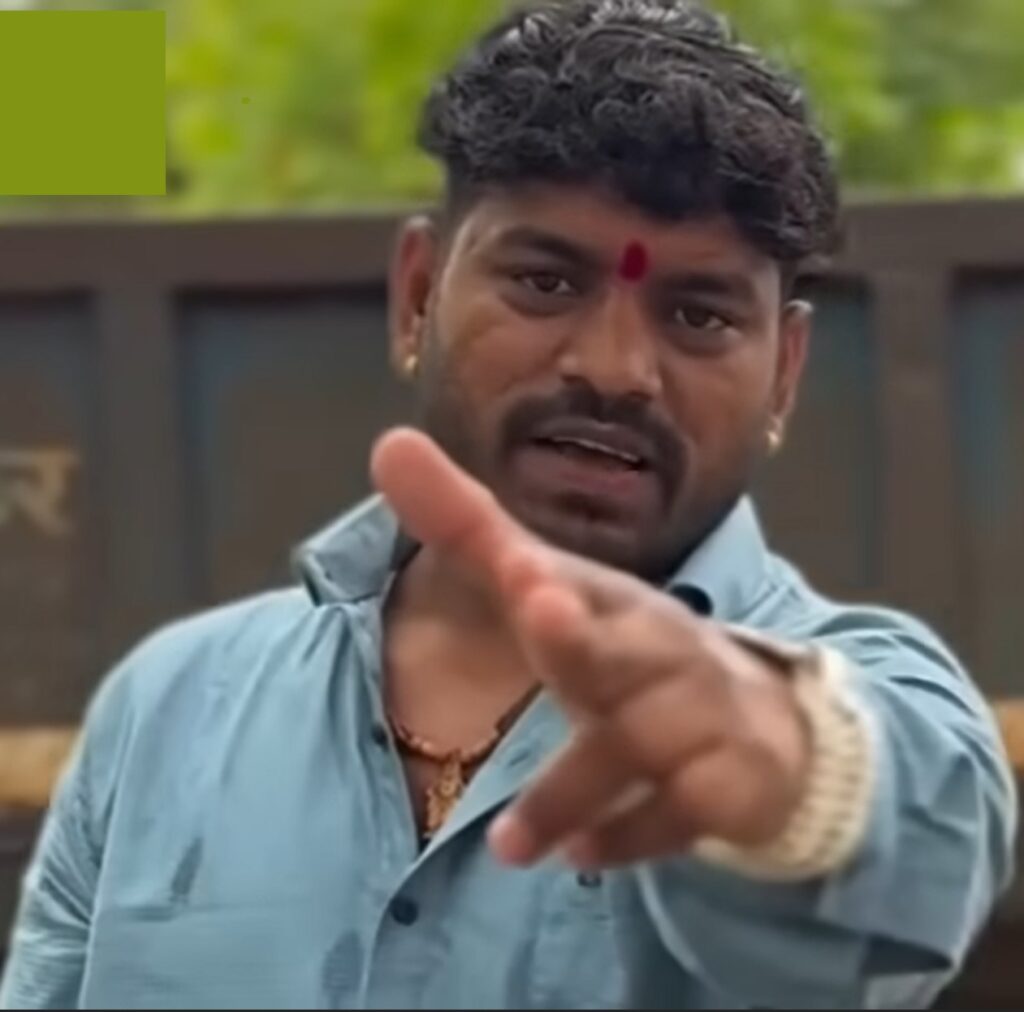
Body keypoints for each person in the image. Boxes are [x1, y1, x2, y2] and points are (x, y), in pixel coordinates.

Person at [1, 0, 1015, 1008]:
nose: (615, 369)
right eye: (545, 282)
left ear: (784, 373)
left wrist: (792, 780)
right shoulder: (169, 706)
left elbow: (916, 826)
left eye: (698, 314)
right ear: (418, 296)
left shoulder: (875, 694)